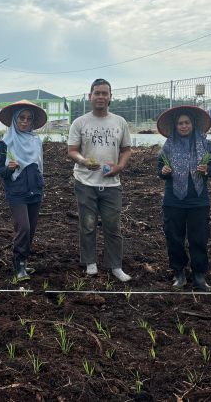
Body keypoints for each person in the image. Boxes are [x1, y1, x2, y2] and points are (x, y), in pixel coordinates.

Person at [67, 78, 133, 282]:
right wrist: (83, 161)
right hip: (85, 182)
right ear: (90, 97)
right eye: (97, 93)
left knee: (113, 226)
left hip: (112, 184)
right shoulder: (80, 123)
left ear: (110, 97)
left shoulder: (119, 122)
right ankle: (90, 262)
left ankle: (115, 266)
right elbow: (72, 151)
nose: (101, 97)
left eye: (105, 93)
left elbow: (126, 150)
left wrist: (119, 167)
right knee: (87, 225)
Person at [156, 106, 211, 291]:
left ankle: (199, 276)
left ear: (193, 124)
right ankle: (179, 274)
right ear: (175, 125)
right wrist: (164, 172)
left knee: (199, 238)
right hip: (174, 199)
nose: (184, 126)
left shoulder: (205, 144)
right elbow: (160, 169)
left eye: (187, 122)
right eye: (180, 123)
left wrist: (208, 170)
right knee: (174, 238)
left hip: (198, 198)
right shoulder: (168, 145)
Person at [0, 100, 47, 281]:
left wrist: (41, 184)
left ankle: (24, 262)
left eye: (28, 118)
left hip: (35, 188)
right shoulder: (6, 142)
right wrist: (8, 168)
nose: (24, 122)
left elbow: (39, 165)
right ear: (15, 120)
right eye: (21, 118)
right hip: (16, 190)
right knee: (23, 227)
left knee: (31, 228)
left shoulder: (36, 141)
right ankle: (18, 263)